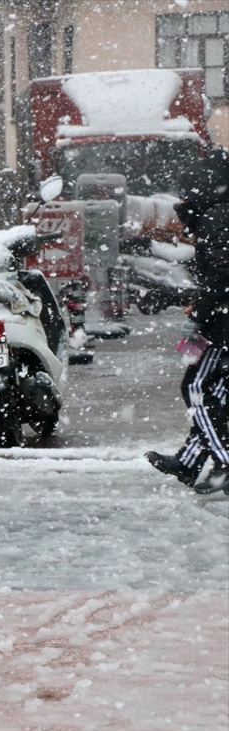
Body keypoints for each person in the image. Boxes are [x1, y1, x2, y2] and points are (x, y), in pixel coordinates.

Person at [146, 147, 229, 495]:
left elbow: (222, 275)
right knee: (219, 393)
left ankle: (225, 461)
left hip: (222, 323)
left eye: (186, 190)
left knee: (196, 388)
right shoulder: (219, 213)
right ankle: (191, 460)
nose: (181, 200)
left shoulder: (217, 216)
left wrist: (198, 316)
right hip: (221, 319)